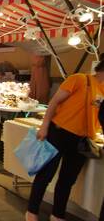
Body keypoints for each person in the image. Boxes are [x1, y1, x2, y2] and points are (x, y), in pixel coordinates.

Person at [25, 61, 104, 221]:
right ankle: (32, 212)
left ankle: (57, 214)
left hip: (83, 140)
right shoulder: (79, 79)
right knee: (45, 175)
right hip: (59, 132)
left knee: (67, 180)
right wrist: (44, 126)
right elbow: (54, 102)